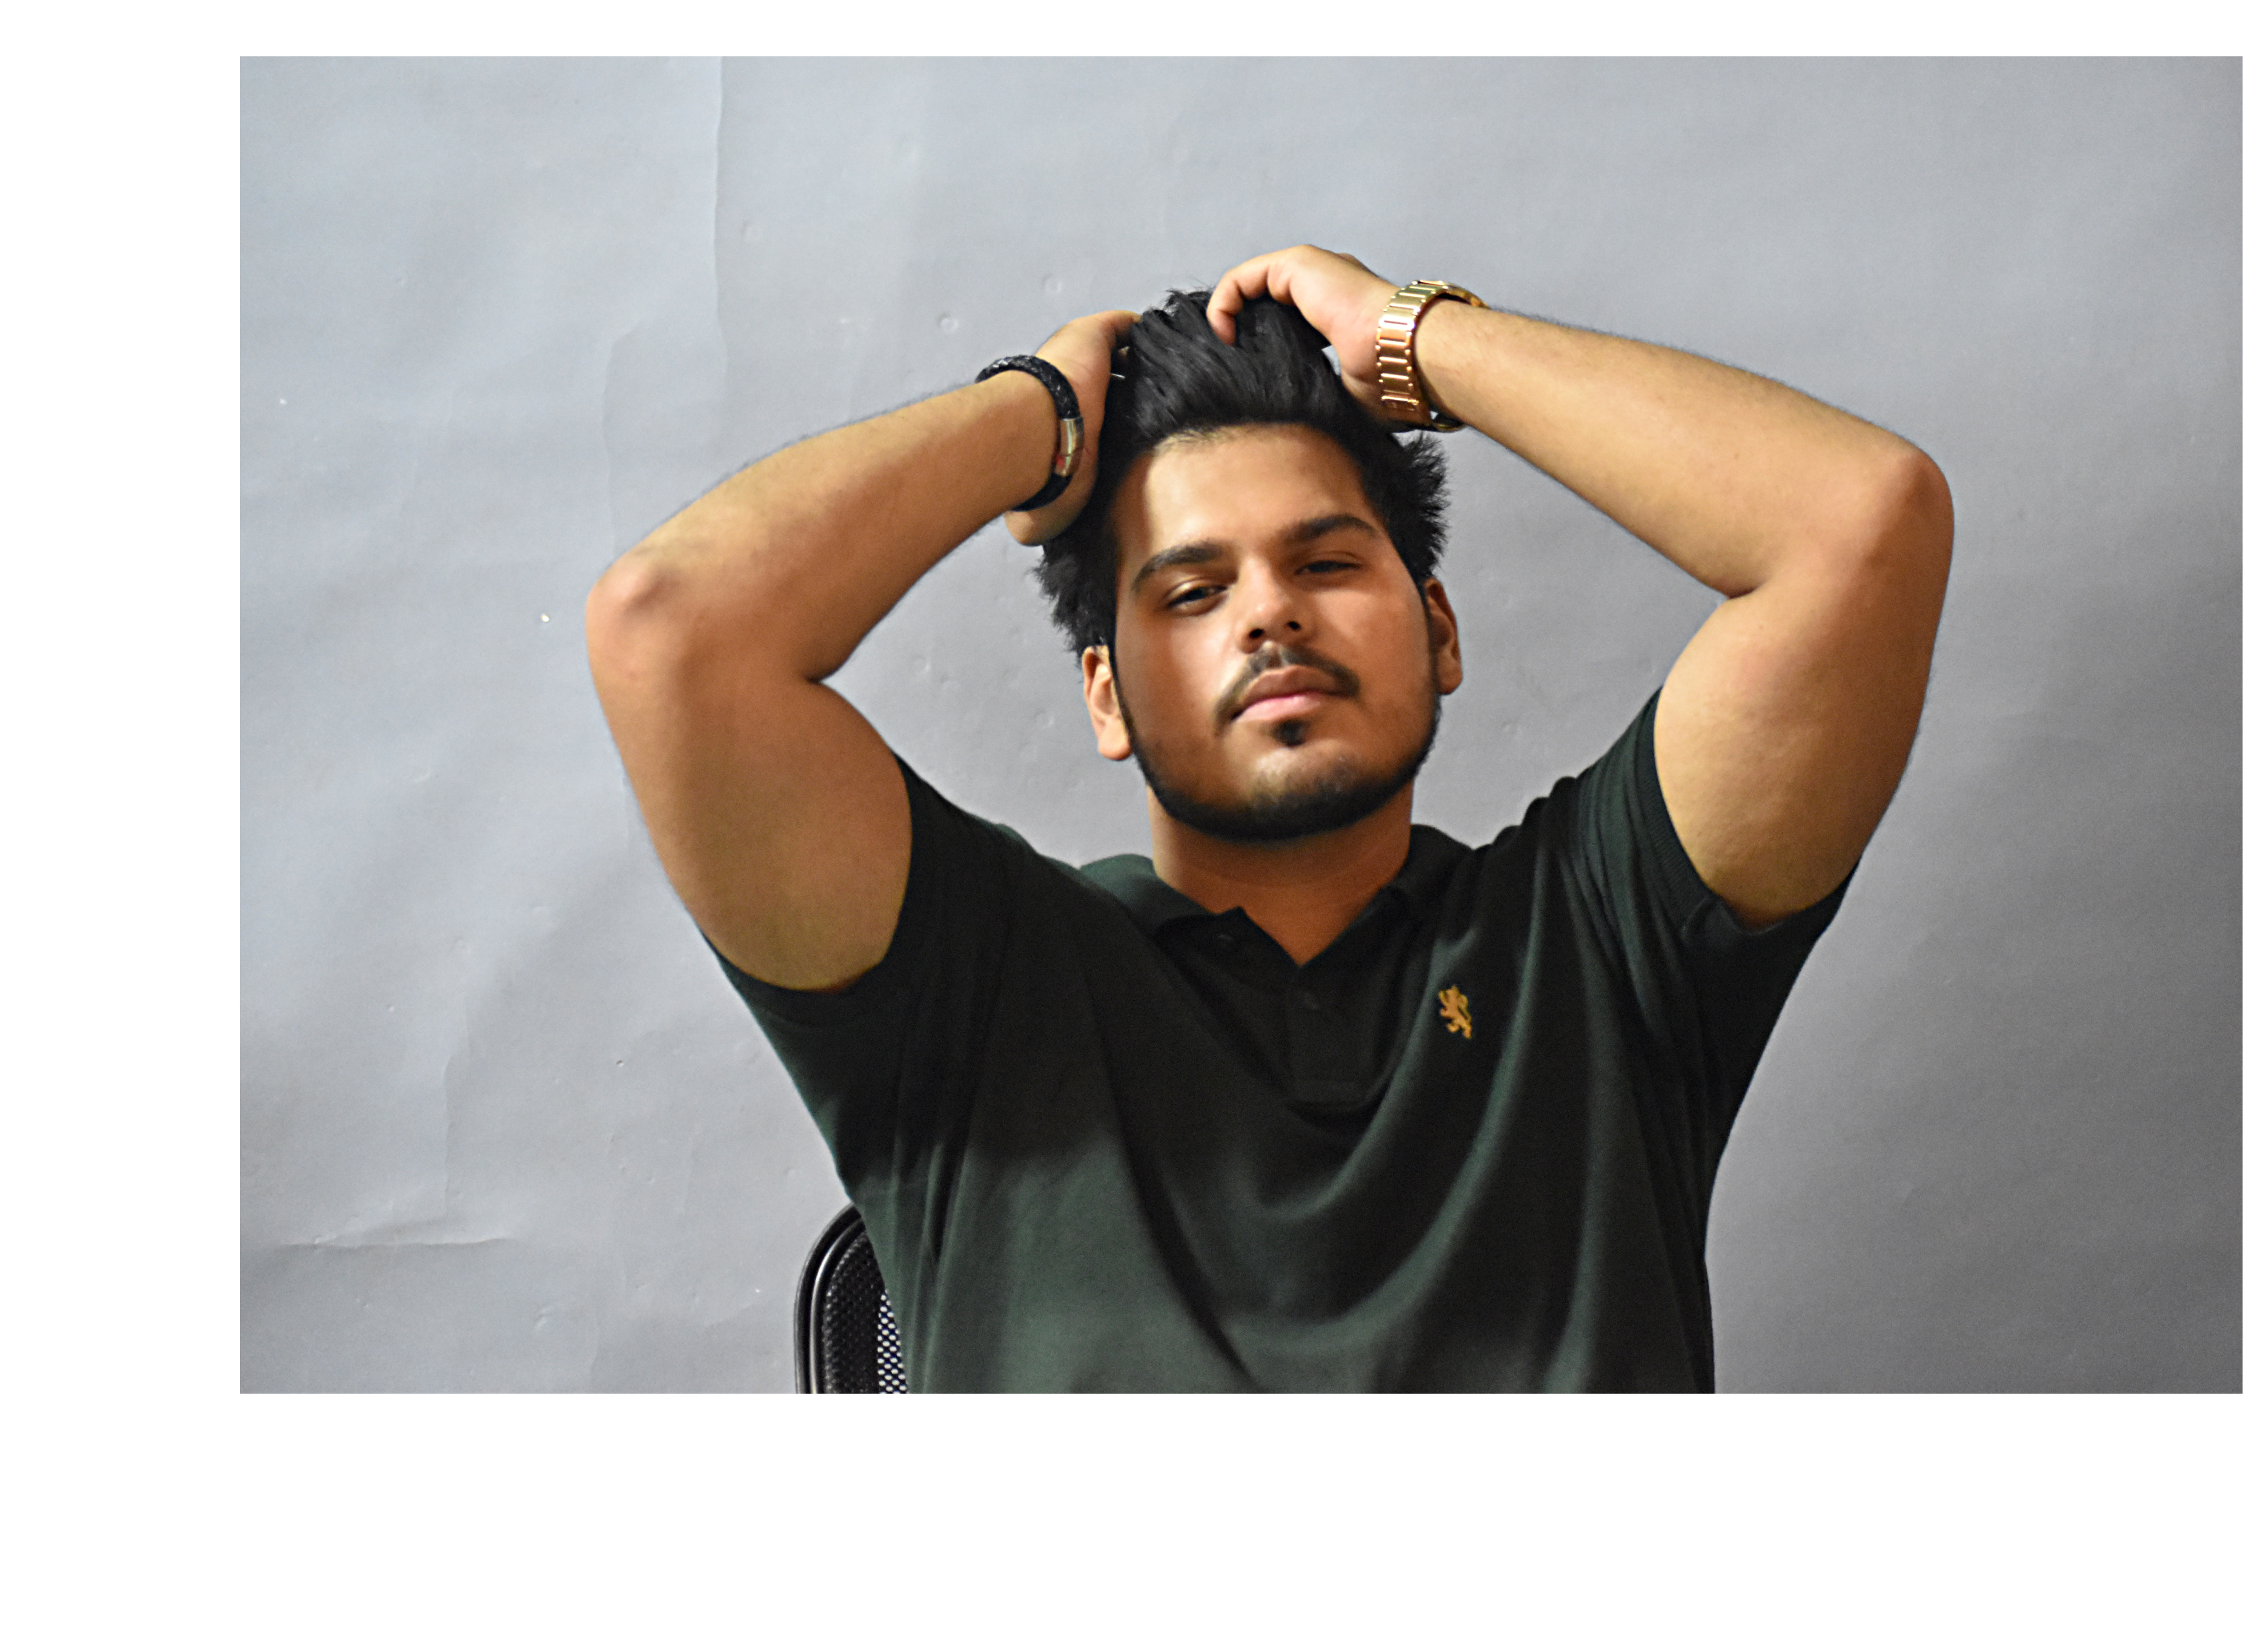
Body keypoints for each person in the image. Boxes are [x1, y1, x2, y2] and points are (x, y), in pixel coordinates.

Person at [585, 244, 1954, 1390]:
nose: (1269, 615)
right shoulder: (972, 984)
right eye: (1191, 592)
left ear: (1439, 629)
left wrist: (1417, 342)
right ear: (1107, 695)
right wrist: (1037, 419)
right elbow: (674, 632)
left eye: (1327, 562)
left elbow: (1861, 522)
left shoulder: (1600, 943)